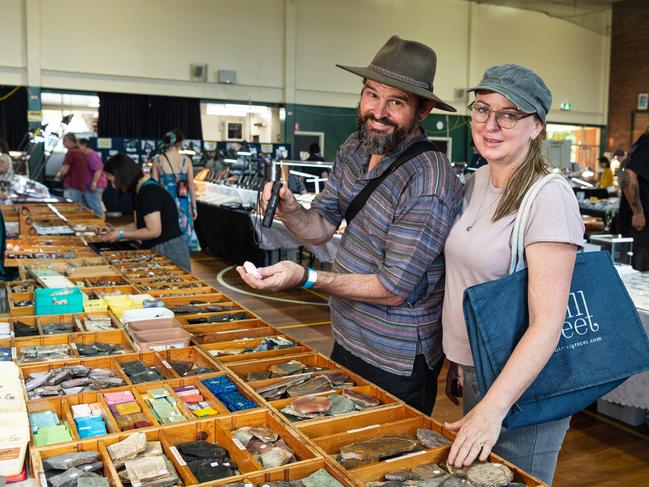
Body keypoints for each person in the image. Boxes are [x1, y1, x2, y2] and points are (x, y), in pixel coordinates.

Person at [236, 35, 463, 415]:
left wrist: (306, 278)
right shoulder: (356, 148)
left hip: (395, 356)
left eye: (397, 102)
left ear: (423, 111)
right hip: (347, 334)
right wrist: (291, 208)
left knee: (382, 460)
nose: (378, 111)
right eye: (372, 94)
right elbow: (322, 225)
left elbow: (393, 289)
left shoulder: (429, 179)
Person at [442, 64, 584, 485]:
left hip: (522, 387)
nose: (491, 125)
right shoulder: (477, 180)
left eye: (509, 114)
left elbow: (547, 324)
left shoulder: (549, 196)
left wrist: (492, 408)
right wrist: (458, 359)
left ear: (537, 125)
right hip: (477, 370)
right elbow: (468, 281)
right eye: (482, 110)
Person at [101, 154, 191, 271]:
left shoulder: (149, 192)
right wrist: (115, 230)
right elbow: (140, 224)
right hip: (159, 247)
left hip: (168, 249)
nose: (113, 186)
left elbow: (153, 231)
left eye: (112, 181)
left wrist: (121, 235)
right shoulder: (138, 190)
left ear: (122, 176)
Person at [152, 129, 200, 252]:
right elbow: (191, 186)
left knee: (167, 232)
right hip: (183, 201)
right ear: (178, 143)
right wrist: (194, 208)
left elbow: (154, 187)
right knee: (183, 231)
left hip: (165, 202)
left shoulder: (158, 160)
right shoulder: (186, 160)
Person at [618, 128, 649, 271]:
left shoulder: (643, 141)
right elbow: (627, 176)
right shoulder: (647, 144)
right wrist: (638, 213)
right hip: (641, 228)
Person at [78, 138, 107, 217]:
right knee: (89, 206)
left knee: (95, 206)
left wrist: (94, 184)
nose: (77, 148)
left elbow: (98, 170)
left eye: (78, 146)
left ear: (84, 145)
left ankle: (101, 226)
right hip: (88, 186)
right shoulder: (85, 155)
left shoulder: (91, 155)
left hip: (95, 186)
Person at [55, 133, 88, 204]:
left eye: (64, 141)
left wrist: (58, 176)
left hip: (72, 186)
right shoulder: (80, 152)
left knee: (70, 209)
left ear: (70, 141)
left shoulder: (71, 152)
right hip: (80, 186)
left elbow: (64, 170)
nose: (63, 143)